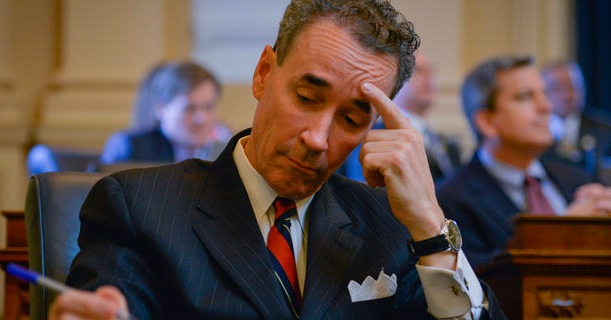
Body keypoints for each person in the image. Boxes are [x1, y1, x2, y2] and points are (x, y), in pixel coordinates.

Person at [51, 1, 506, 319]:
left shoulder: (389, 225)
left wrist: (430, 227)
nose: (317, 139)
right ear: (264, 73)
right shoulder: (140, 206)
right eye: (307, 98)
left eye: (351, 118)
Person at [436, 55, 611, 271]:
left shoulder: (578, 179)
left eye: (544, 94)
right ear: (487, 121)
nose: (546, 107)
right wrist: (566, 231)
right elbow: (481, 286)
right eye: (526, 97)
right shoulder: (450, 200)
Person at [339, 52, 462, 183]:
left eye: (430, 70)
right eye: (418, 71)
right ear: (394, 82)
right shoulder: (372, 138)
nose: (429, 77)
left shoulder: (442, 141)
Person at [99, 61, 232, 165]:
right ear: (161, 109)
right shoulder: (130, 148)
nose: (201, 118)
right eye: (189, 109)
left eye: (208, 107)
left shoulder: (227, 151)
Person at [541, 60, 611, 172]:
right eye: (557, 88)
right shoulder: (532, 133)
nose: (566, 95)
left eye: (573, 87)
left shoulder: (605, 129)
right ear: (543, 93)